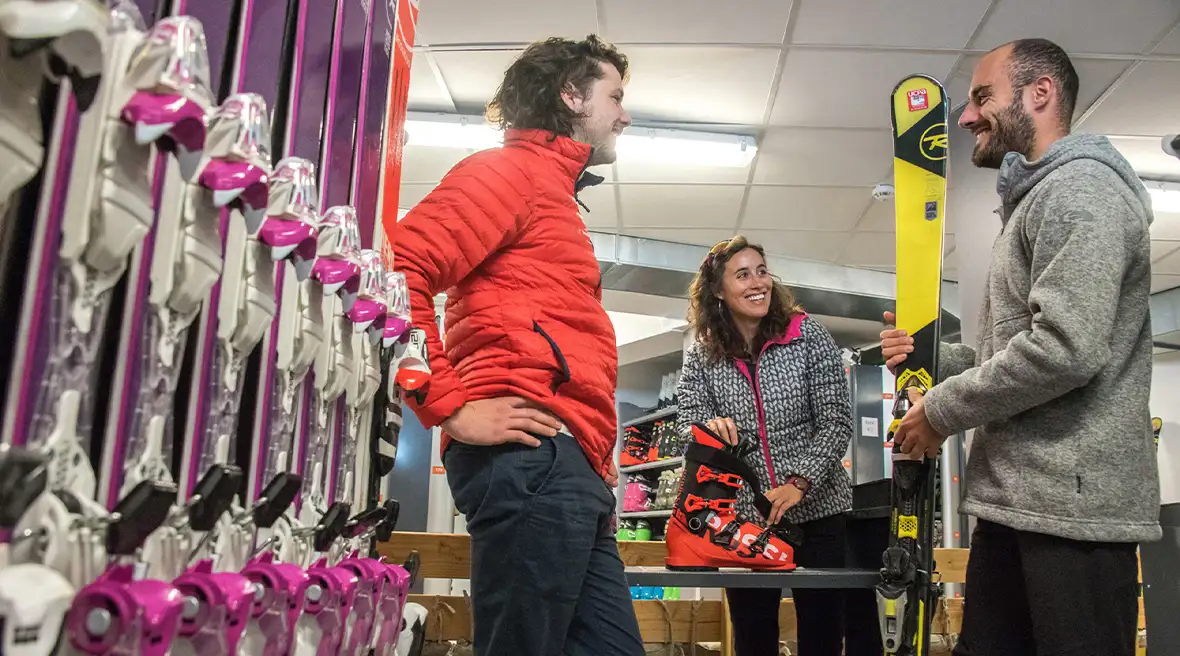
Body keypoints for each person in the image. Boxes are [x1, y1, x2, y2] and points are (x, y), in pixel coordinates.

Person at [881, 38, 1162, 656]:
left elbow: (1065, 349)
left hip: (1072, 513)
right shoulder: (1038, 199)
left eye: (982, 96)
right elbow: (1009, 353)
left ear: (1041, 94)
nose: (966, 116)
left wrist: (941, 410)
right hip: (1020, 502)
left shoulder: (1080, 190)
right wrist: (928, 360)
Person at [387, 35, 642, 656]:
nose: (624, 114)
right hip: (531, 459)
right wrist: (447, 405)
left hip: (569, 462)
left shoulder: (552, 192)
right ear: (571, 94)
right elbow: (397, 269)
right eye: (615, 96)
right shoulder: (510, 172)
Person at [676, 236, 854, 656]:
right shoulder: (703, 354)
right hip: (744, 522)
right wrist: (706, 428)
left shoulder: (807, 335)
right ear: (719, 290)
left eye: (761, 270)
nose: (758, 282)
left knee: (823, 635)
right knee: (753, 637)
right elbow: (687, 421)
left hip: (819, 512)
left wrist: (799, 482)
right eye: (743, 275)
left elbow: (836, 419)